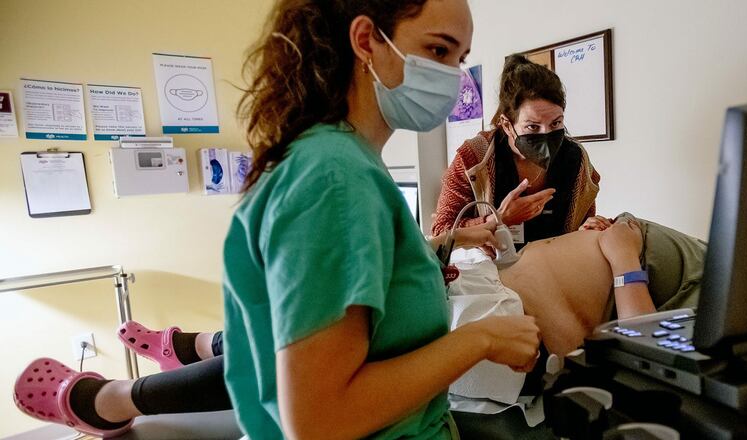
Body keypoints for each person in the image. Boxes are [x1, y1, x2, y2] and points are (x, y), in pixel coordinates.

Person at [15, 1, 545, 439]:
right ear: (366, 41)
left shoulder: (340, 162)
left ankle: (153, 366)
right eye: (437, 51)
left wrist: (430, 264)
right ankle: (118, 390)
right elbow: (316, 421)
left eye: (459, 58)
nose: (452, 78)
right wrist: (479, 340)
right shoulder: (335, 180)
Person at [14, 212, 707, 437]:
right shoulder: (720, 253)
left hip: (504, 328)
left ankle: (112, 399)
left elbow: (657, 351)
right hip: (479, 290)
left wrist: (625, 265)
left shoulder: (715, 289)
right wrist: (491, 238)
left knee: (316, 358)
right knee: (305, 331)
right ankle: (156, 372)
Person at [432, 54, 602, 248]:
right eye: (532, 127)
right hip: (493, 272)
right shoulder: (474, 158)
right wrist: (499, 219)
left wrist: (588, 229)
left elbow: (580, 226)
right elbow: (441, 231)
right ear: (506, 124)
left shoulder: (577, 160)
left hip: (555, 269)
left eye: (556, 123)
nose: (546, 134)